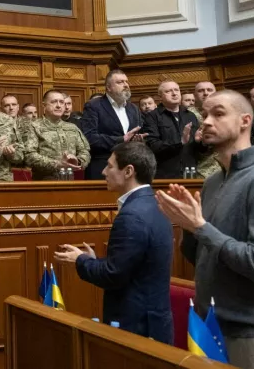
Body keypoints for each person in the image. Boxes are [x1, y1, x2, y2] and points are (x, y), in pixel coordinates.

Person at [158, 90, 254, 369]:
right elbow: (203, 259)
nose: (206, 121)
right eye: (204, 114)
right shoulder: (212, 182)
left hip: (252, 335)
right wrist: (189, 227)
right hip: (209, 328)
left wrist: (200, 226)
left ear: (245, 121)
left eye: (218, 114)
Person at [55, 142, 173, 344]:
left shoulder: (132, 215)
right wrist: (95, 261)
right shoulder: (154, 204)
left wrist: (81, 260)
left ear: (128, 171)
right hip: (153, 322)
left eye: (109, 166)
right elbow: (131, 266)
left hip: (136, 327)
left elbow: (113, 275)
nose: (103, 171)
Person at [81, 69, 143, 180]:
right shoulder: (94, 106)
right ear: (108, 87)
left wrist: (138, 140)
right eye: (120, 82)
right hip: (102, 167)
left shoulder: (133, 108)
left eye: (126, 82)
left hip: (128, 169)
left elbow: (136, 135)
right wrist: (121, 139)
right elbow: (89, 137)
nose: (125, 85)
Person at [142, 81, 202, 179]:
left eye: (176, 90)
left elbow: (200, 150)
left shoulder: (190, 115)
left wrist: (200, 142)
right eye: (168, 91)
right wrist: (180, 142)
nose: (174, 93)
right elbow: (153, 146)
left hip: (190, 173)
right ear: (160, 96)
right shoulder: (152, 117)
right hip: (165, 174)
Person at [23, 90, 90, 180]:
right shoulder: (34, 126)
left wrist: (77, 161)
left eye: (61, 102)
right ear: (44, 105)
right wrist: (57, 164)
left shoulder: (72, 128)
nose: (59, 105)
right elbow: (29, 155)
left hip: (71, 181)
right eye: (54, 102)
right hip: (44, 183)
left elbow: (85, 151)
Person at [191, 81, 221, 179]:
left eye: (209, 90)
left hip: (225, 167)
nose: (206, 93)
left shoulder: (225, 112)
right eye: (201, 91)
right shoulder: (188, 114)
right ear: (195, 96)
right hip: (200, 170)